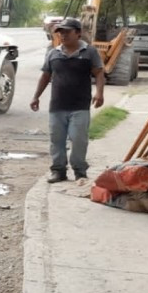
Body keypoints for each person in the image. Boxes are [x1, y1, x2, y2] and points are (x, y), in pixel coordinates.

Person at [30, 17, 105, 183]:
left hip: (80, 106)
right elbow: (45, 76)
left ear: (78, 33)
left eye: (67, 32)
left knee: (78, 139)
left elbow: (99, 73)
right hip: (57, 106)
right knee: (56, 140)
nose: (63, 35)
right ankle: (58, 171)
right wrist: (36, 96)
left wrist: (99, 93)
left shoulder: (89, 52)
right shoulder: (53, 53)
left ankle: (79, 171)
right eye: (60, 32)